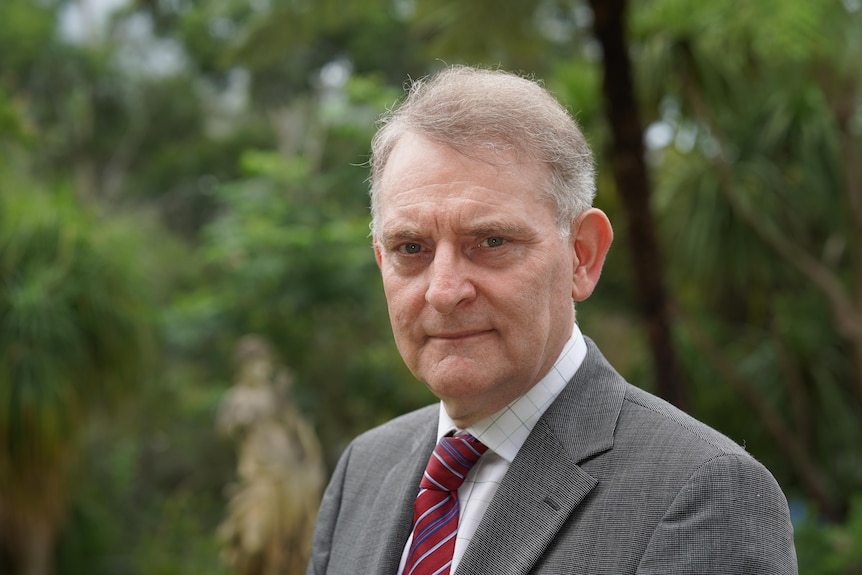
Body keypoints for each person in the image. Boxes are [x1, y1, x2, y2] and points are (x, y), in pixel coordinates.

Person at [306, 65, 798, 575]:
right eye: (412, 248)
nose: (444, 291)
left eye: (491, 242)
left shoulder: (702, 491)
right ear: (382, 262)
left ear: (581, 257)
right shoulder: (363, 471)